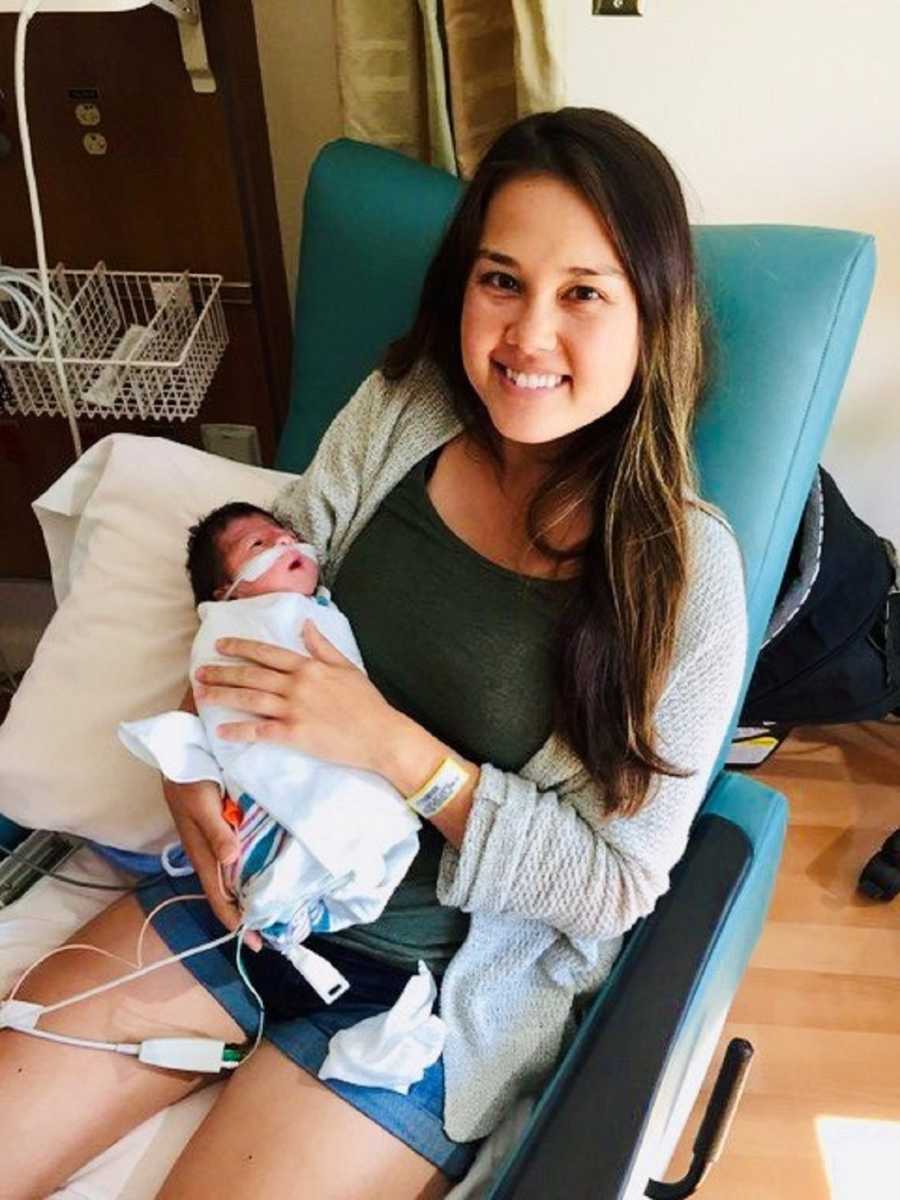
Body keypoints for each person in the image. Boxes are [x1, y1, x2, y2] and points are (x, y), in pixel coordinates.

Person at [0, 108, 747, 1200]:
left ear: (654, 313)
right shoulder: (405, 409)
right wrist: (189, 765)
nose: (528, 337)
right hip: (247, 897)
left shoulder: (683, 573)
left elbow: (617, 882)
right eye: (501, 280)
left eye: (583, 292)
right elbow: (253, 604)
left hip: (427, 987)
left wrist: (397, 750)